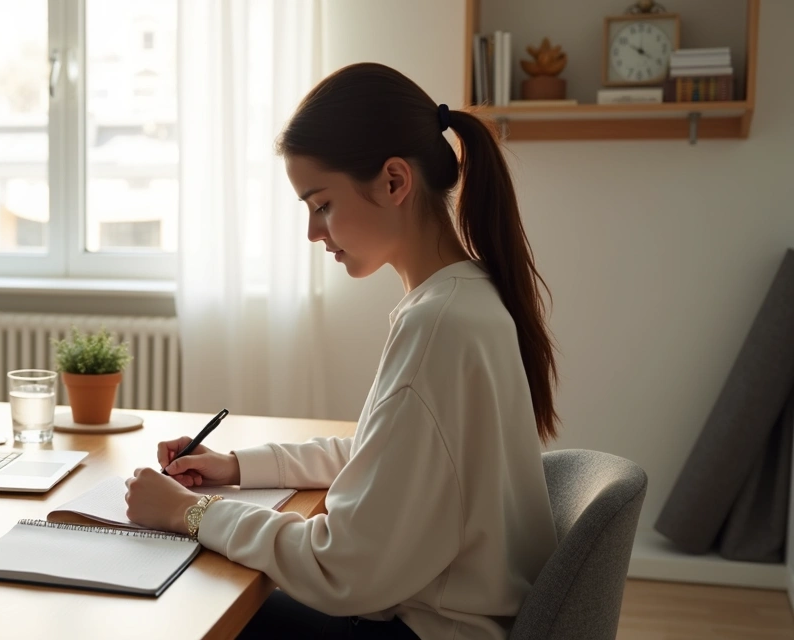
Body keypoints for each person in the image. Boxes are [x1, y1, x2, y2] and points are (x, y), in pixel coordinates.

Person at [123, 61, 560, 640]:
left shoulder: (440, 325)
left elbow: (342, 566)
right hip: (442, 618)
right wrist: (235, 468)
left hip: (425, 629)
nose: (312, 232)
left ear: (394, 182)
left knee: (187, 613)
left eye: (321, 204)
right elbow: (383, 454)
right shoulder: (465, 300)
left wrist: (188, 513)